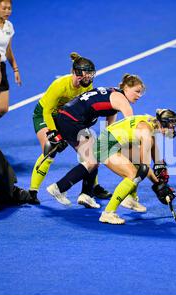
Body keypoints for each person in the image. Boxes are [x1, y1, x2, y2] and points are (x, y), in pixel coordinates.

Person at [46, 74, 146, 210]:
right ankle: (59, 188)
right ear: (126, 88)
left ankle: (86, 194)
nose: (139, 96)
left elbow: (109, 130)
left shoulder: (114, 96)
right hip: (71, 121)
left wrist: (113, 147)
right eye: (137, 91)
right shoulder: (122, 101)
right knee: (93, 159)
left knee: (95, 155)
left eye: (141, 93)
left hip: (67, 118)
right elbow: (131, 127)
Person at [29, 52, 112, 204]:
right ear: (75, 73)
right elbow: (47, 111)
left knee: (90, 148)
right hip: (44, 115)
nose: (88, 79)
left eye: (90, 76)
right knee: (50, 148)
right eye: (85, 76)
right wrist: (54, 133)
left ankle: (94, 187)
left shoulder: (87, 87)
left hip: (65, 117)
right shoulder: (60, 85)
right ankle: (32, 191)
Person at [93, 109, 176, 224]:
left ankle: (130, 199)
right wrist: (159, 186)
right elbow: (144, 168)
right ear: (163, 123)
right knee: (132, 175)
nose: (173, 129)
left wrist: (160, 172)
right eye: (171, 126)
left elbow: (155, 157)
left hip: (117, 142)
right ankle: (108, 213)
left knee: (137, 164)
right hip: (105, 146)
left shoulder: (151, 124)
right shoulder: (146, 133)